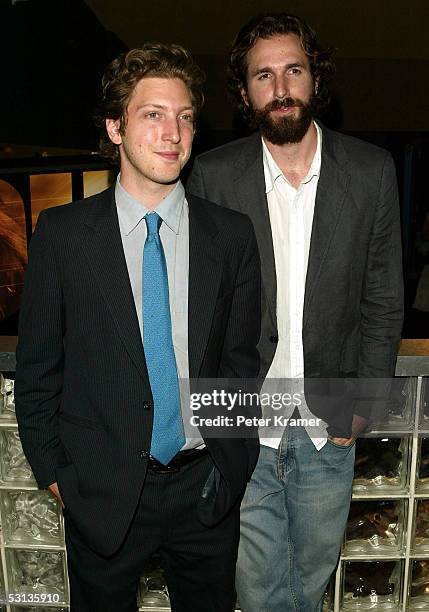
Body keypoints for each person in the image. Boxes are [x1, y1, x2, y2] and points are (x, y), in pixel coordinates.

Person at [15, 42, 261, 612]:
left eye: (185, 116)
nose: (172, 132)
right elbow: (38, 368)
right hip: (100, 491)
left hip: (206, 487)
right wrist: (55, 471)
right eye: (153, 114)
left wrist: (234, 460)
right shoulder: (63, 236)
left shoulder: (230, 236)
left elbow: (240, 360)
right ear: (116, 128)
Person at [188, 13, 403, 612]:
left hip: (329, 421)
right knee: (256, 591)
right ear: (245, 92)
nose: (280, 88)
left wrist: (364, 405)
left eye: (293, 71)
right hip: (243, 420)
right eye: (263, 75)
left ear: (315, 79)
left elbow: (383, 299)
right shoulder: (214, 175)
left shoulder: (369, 172)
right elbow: (201, 306)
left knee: (309, 584)